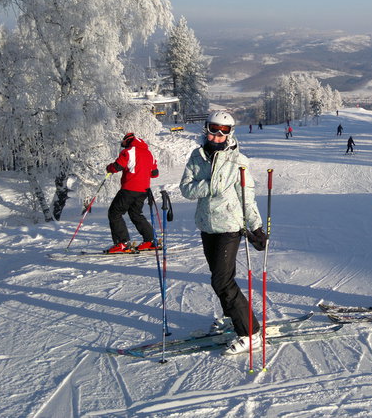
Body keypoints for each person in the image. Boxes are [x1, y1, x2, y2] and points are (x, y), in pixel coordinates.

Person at [179, 110, 268, 356]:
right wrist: (212, 186)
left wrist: (256, 226)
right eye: (213, 129)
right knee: (218, 278)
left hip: (230, 226)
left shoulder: (238, 161)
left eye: (224, 130)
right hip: (207, 225)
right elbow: (186, 189)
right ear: (206, 129)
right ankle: (232, 317)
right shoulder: (197, 157)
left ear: (231, 133)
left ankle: (250, 333)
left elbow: (246, 197)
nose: (218, 135)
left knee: (222, 281)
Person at [105, 133, 159, 253]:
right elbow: (155, 173)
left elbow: (117, 166)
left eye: (123, 143)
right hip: (144, 190)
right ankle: (150, 240)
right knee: (135, 214)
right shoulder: (149, 153)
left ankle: (122, 243)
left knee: (114, 213)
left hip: (129, 188)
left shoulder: (129, 151)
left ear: (128, 141)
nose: (123, 145)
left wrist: (109, 168)